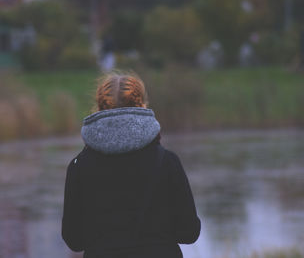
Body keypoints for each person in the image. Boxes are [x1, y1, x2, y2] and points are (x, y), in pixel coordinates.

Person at [62, 72, 201, 258]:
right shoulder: (167, 161)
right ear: (142, 106)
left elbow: (74, 240)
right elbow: (189, 232)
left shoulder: (79, 166)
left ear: (98, 108)